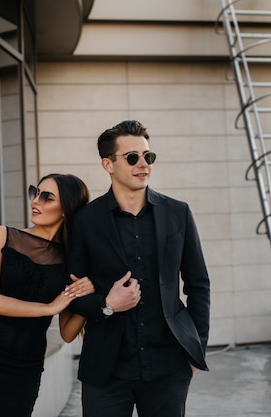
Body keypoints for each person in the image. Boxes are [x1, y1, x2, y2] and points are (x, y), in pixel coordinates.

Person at [67, 120, 211, 417]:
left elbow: (198, 284)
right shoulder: (85, 220)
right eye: (132, 157)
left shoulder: (178, 213)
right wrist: (106, 305)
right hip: (106, 369)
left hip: (169, 366)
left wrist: (195, 350)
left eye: (148, 156)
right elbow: (73, 292)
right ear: (108, 164)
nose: (142, 164)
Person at [0, 173, 92, 417]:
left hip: (26, 366)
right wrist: (48, 308)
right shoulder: (5, 236)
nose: (35, 201)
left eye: (46, 197)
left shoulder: (71, 261)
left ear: (66, 209)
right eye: (35, 193)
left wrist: (91, 292)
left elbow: (68, 333)